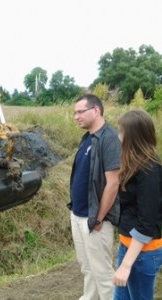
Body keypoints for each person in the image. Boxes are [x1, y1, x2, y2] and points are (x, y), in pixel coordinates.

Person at [68, 94, 121, 300]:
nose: (76, 117)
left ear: (96, 110)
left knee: (102, 273)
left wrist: (98, 218)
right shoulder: (88, 138)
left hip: (95, 219)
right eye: (75, 112)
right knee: (87, 269)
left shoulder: (109, 139)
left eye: (80, 111)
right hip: (78, 214)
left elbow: (113, 183)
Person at [113, 110, 162, 300]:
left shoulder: (150, 170)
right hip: (129, 247)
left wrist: (126, 266)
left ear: (132, 136)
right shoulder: (135, 165)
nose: (118, 136)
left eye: (121, 131)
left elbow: (146, 223)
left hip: (144, 254)